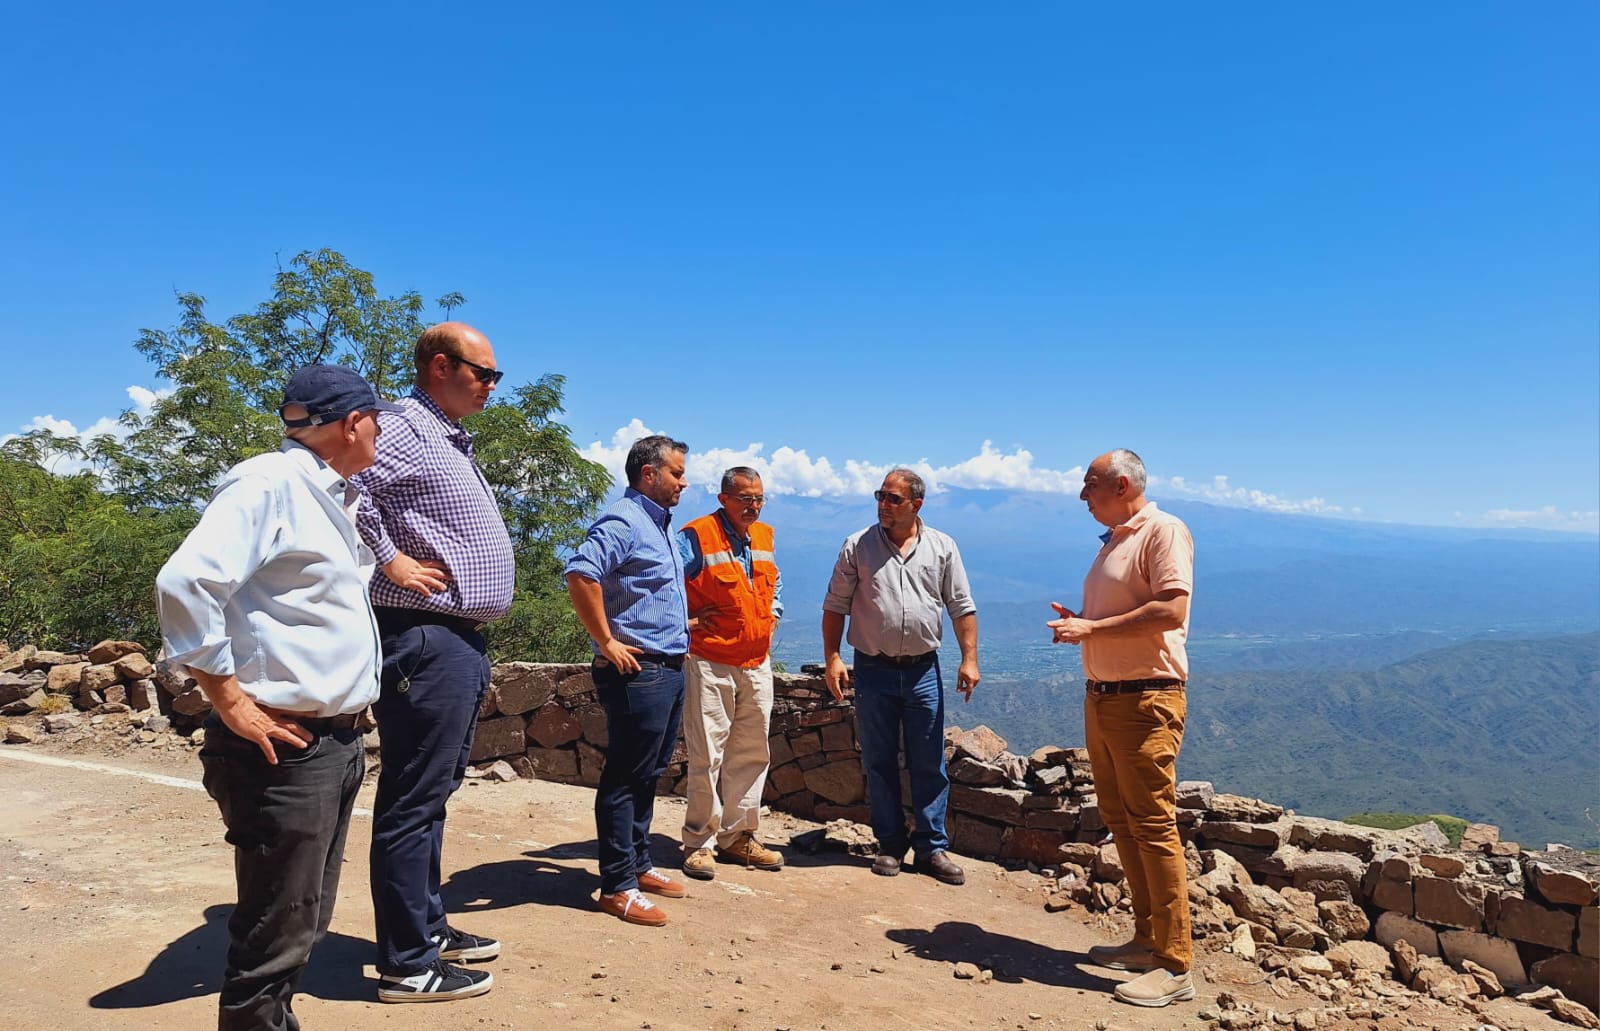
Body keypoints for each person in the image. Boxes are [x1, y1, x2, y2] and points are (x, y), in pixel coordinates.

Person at [155, 364, 397, 1031]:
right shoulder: (269, 482)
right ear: (352, 421)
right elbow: (184, 582)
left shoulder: (330, 494)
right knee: (273, 936)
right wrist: (227, 696)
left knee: (303, 921)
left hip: (334, 741)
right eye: (377, 418)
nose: (381, 430)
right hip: (287, 747)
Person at [352, 322, 513, 1002]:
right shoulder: (403, 427)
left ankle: (427, 927)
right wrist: (389, 559)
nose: (492, 386)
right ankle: (408, 965)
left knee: (432, 795)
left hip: (451, 636)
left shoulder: (440, 433)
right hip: (421, 633)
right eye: (485, 373)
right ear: (441, 365)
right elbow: (345, 487)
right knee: (413, 800)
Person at [1048, 448, 1196, 1009]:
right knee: (1124, 823)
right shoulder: (1117, 538)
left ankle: (1175, 964)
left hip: (1145, 700)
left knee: (1153, 826)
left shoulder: (1163, 530)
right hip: (1107, 698)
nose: (1082, 496)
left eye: (1089, 485)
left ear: (1122, 483)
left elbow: (1171, 610)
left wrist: (1092, 627)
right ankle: (1147, 940)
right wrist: (1084, 626)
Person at [822, 467, 979, 886]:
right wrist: (833, 658)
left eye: (893, 498)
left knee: (929, 760)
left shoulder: (942, 547)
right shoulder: (858, 546)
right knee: (879, 759)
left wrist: (970, 659)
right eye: (881, 496)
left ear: (916, 505)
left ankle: (932, 849)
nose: (884, 505)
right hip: (872, 667)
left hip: (923, 669)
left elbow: (961, 605)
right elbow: (835, 605)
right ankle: (890, 844)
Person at [564, 435, 692, 927]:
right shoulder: (625, 520)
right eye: (676, 473)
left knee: (648, 771)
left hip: (667, 668)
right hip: (638, 672)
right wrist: (607, 641)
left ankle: (637, 865)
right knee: (626, 775)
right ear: (648, 474)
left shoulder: (656, 526)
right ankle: (617, 885)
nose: (683, 481)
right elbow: (580, 573)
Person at [675, 467, 785, 881]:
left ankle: (739, 837)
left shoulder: (764, 536)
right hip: (709, 660)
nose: (752, 506)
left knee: (752, 753)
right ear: (724, 499)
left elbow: (775, 584)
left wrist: (773, 616)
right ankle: (699, 842)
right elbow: (665, 581)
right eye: (744, 499)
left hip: (756, 662)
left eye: (758, 498)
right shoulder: (697, 535)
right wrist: (686, 620)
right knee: (707, 755)